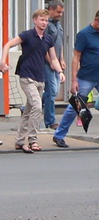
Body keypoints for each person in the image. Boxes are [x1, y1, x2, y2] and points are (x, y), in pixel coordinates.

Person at [52, 9, 99, 152]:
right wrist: (74, 80)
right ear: (96, 19)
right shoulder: (84, 34)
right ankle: (59, 134)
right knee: (75, 107)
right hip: (86, 78)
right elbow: (76, 58)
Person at [0, 9, 64, 153]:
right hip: (26, 76)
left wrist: (60, 72)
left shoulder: (48, 39)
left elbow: (53, 58)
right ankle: (32, 140)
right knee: (36, 106)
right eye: (41, 20)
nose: (44, 23)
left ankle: (20, 140)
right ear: (35, 20)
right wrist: (3, 61)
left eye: (46, 20)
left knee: (29, 110)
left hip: (39, 78)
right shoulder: (27, 35)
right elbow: (8, 45)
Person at [42, 0, 67, 129]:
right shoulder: (46, 25)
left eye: (61, 12)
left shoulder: (58, 24)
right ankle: (50, 121)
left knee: (53, 91)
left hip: (56, 61)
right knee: (51, 92)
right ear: (50, 10)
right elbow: (44, 45)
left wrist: (61, 59)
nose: (60, 14)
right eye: (58, 12)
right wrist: (50, 61)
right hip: (47, 63)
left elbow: (59, 43)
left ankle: (28, 106)